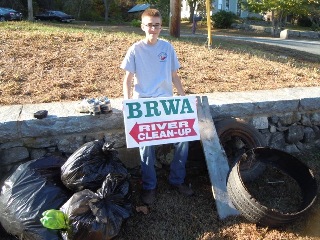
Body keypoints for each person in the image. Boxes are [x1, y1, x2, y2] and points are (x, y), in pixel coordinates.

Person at [120, 8, 194, 205]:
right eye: (149, 25)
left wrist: (184, 98)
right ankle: (149, 186)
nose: (153, 28)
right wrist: (127, 102)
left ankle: (177, 180)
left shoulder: (168, 48)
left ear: (162, 26)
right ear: (143, 26)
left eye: (157, 25)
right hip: (143, 104)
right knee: (146, 146)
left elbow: (174, 76)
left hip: (166, 104)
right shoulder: (135, 49)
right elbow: (127, 79)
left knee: (183, 140)